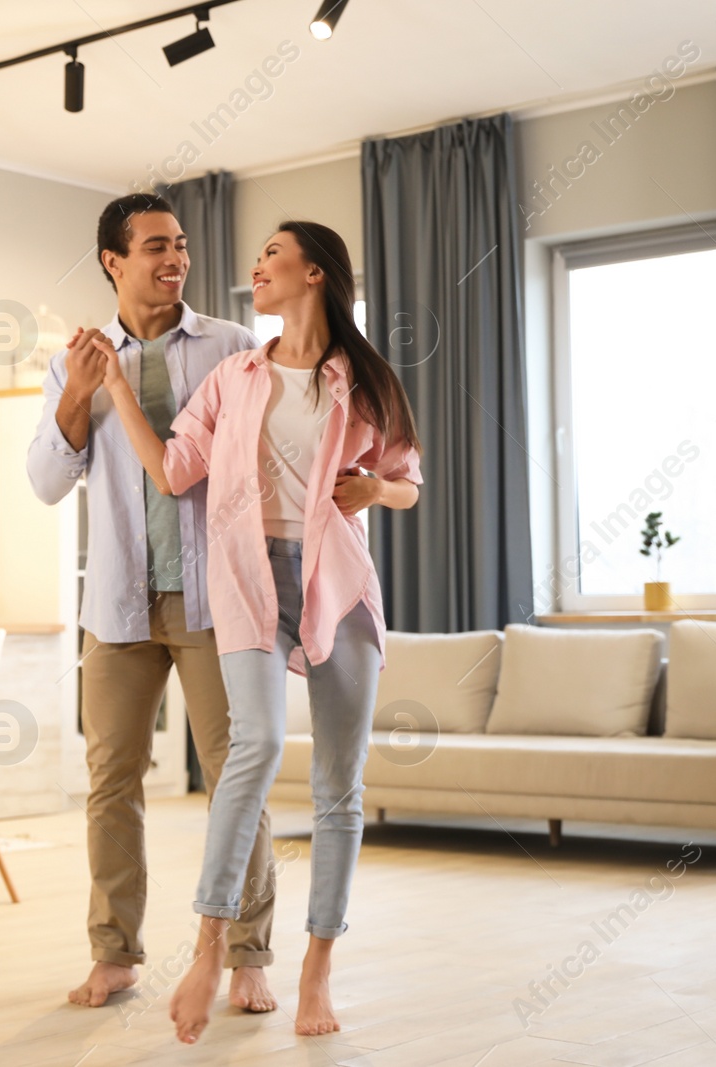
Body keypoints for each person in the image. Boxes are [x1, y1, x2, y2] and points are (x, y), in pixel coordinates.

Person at [100, 220, 423, 1042]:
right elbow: (175, 470)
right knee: (254, 751)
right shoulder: (238, 376)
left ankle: (317, 969)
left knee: (338, 789)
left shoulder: (368, 378)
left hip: (337, 585)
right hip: (246, 581)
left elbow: (407, 483)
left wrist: (371, 492)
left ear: (314, 274)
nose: (257, 269)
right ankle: (208, 949)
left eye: (271, 257)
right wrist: (117, 392)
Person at [26, 193, 281, 1013]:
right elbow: (44, 482)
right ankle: (114, 955)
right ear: (113, 260)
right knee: (112, 781)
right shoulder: (73, 364)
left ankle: (249, 955)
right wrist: (82, 390)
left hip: (216, 603)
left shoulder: (233, 347)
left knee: (236, 776)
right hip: (120, 604)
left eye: (180, 246)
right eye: (154, 248)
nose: (173, 260)